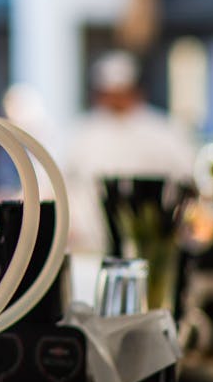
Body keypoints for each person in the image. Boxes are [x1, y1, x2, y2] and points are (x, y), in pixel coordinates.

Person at [64, 50, 196, 253]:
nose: (116, 99)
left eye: (122, 92)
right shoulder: (81, 133)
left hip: (154, 242)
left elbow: (188, 179)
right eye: (109, 93)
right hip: (91, 244)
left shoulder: (164, 131)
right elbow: (55, 182)